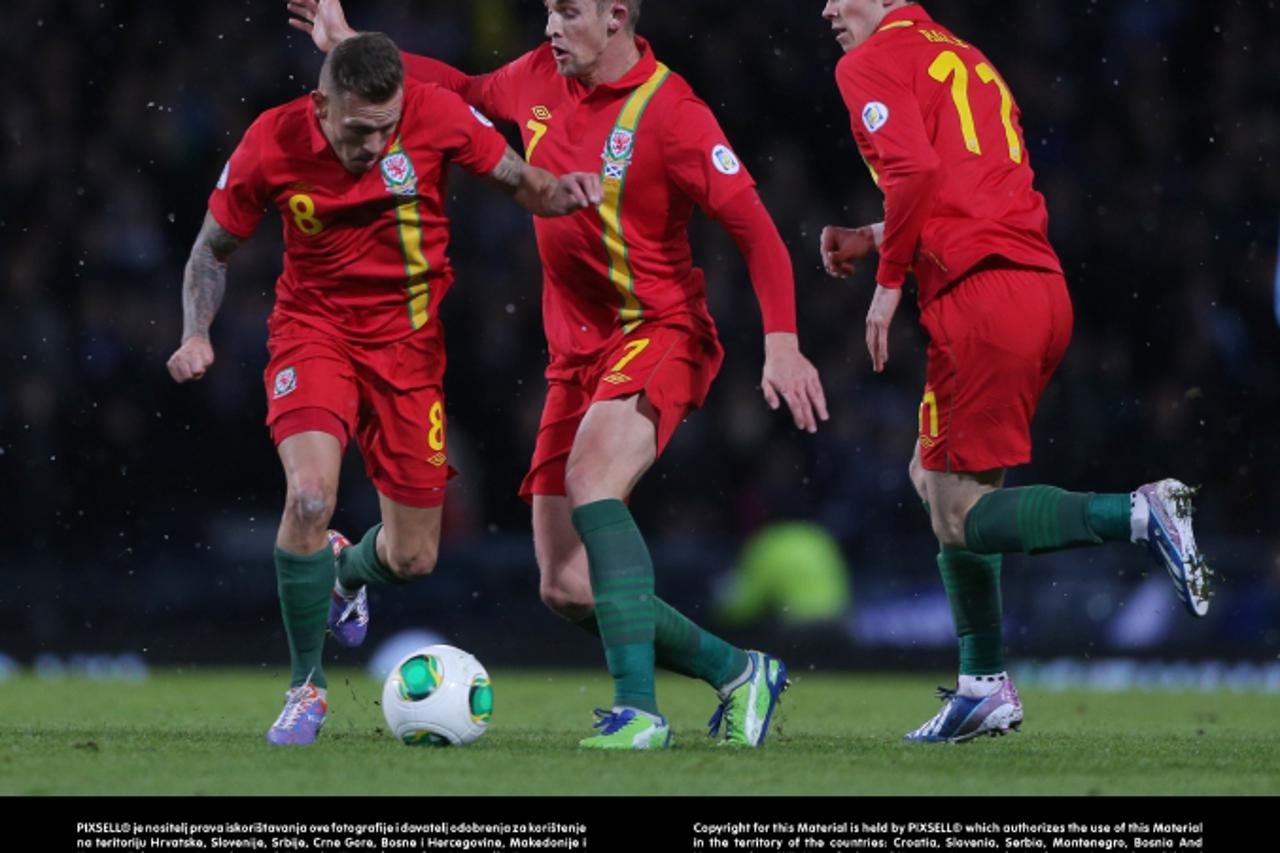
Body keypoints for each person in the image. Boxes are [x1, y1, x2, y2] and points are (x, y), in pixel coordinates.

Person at [288, 0, 828, 749]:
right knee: (565, 585)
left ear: (616, 16)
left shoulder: (674, 113)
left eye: (566, 12)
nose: (548, 27)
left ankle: (638, 712)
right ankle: (739, 671)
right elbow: (463, 91)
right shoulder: (542, 76)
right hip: (576, 357)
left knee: (593, 480)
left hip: (659, 330)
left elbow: (757, 229)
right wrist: (353, 46)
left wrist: (782, 341)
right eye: (546, 10)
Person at [166, 32, 602, 746]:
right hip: (314, 334)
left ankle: (343, 568)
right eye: (359, 131)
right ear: (320, 104)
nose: (373, 146)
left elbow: (527, 183)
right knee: (309, 495)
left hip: (409, 352)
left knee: (412, 557)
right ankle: (306, 687)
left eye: (387, 129)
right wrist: (195, 332)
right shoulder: (271, 141)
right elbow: (211, 250)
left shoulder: (436, 115)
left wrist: (568, 193)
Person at [818, 0, 1213, 742]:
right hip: (1036, 286)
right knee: (939, 483)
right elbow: (958, 184)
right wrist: (875, 237)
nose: (829, 9)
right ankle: (983, 685)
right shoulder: (966, 57)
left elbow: (913, 169)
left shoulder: (866, 62)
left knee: (958, 512)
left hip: (978, 298)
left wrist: (887, 284)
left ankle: (1140, 511)